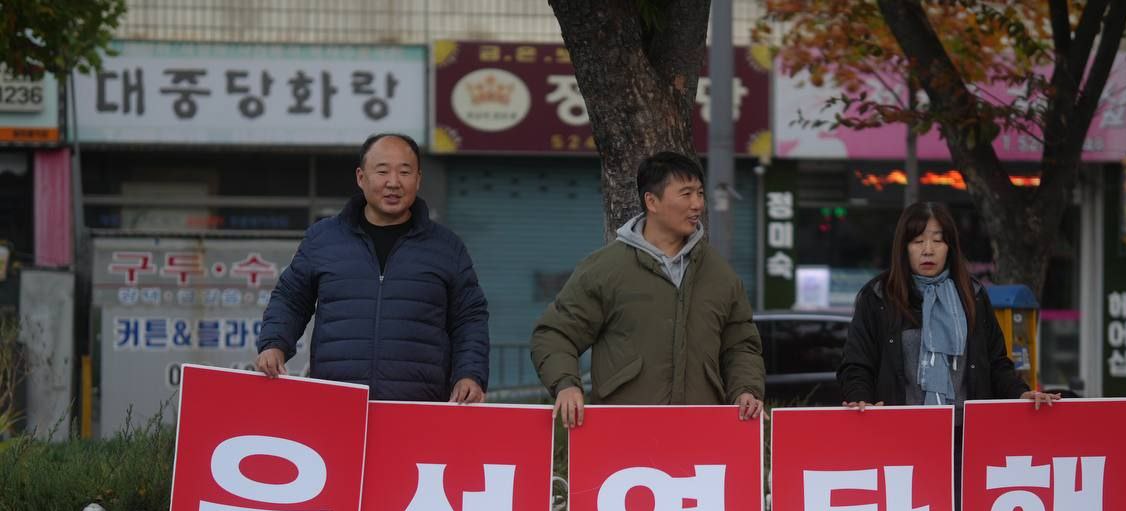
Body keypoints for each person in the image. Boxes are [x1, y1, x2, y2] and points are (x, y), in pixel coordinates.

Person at [530, 151, 765, 427]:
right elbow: (554, 334)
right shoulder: (606, 269)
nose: (697, 204)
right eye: (686, 194)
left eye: (700, 194)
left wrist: (745, 390)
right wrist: (567, 385)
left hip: (701, 430)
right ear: (651, 201)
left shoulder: (719, 274)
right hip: (623, 431)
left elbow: (741, 345)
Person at [256, 132, 489, 403]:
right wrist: (274, 344)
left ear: (418, 179)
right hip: (337, 403)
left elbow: (469, 318)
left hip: (417, 407)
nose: (393, 182)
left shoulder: (446, 247)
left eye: (405, 172)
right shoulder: (323, 239)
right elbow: (291, 299)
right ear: (361, 177)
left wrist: (470, 374)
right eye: (382, 171)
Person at [838, 201, 1059, 413]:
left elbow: (996, 364)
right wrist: (861, 399)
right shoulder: (878, 297)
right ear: (903, 248)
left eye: (937, 241)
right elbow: (856, 364)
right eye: (917, 241)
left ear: (950, 247)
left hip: (966, 430)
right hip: (901, 429)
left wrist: (1021, 393)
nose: (928, 250)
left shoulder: (972, 295)